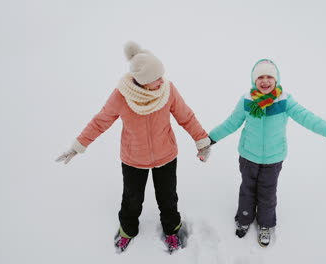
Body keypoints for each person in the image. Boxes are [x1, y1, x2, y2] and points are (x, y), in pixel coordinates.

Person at [55, 41, 212, 254]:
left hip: (165, 155)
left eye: (161, 75)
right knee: (131, 198)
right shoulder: (122, 95)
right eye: (156, 78)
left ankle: (172, 230)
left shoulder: (167, 90)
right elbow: (100, 121)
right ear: (142, 80)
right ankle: (127, 230)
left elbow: (186, 116)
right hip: (133, 158)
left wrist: (201, 141)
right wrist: (78, 146)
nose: (161, 81)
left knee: (168, 197)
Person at [208, 59, 326, 247]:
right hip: (248, 156)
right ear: (253, 81)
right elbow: (231, 123)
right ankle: (245, 218)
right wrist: (210, 139)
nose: (265, 81)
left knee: (267, 193)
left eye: (269, 77)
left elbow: (309, 118)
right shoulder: (247, 100)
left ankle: (265, 225)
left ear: (276, 79)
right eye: (260, 77)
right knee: (247, 190)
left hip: (273, 158)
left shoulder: (285, 100)